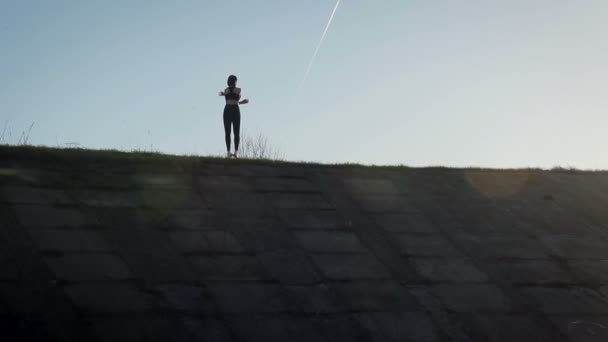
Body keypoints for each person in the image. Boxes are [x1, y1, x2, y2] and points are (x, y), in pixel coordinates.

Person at [219, 75, 249, 157]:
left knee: (227, 132)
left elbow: (229, 95)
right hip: (235, 109)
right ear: (235, 81)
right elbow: (236, 97)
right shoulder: (238, 90)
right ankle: (235, 152)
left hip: (227, 109)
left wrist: (223, 94)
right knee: (236, 131)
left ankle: (229, 151)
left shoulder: (226, 90)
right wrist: (241, 102)